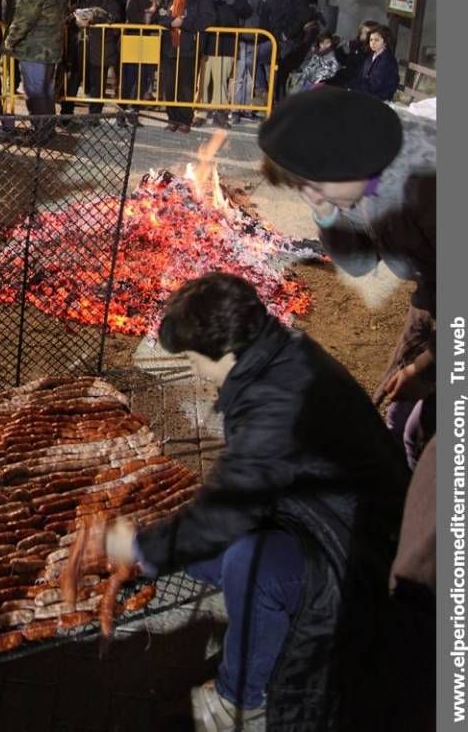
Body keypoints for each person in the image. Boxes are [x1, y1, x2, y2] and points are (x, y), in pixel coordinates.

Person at [101, 272, 409, 732]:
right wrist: (157, 551)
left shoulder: (277, 401)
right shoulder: (274, 353)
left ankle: (241, 700)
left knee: (248, 561)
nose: (192, 368)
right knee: (204, 559)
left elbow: (231, 506)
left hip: (358, 552)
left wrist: (138, 548)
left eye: (191, 358)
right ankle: (265, 627)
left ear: (225, 353)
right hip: (314, 516)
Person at [258, 88, 436, 469]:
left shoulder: (429, 180)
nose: (312, 197)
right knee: (395, 410)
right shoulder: (359, 175)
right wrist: (325, 213)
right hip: (434, 289)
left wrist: (427, 368)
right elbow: (358, 262)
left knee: (423, 430)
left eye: (314, 186)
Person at [2, 0, 69, 142]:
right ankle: (47, 129)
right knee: (46, 90)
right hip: (53, 45)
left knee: (35, 91)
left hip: (34, 48)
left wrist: (9, 42)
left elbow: (25, 16)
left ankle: (41, 133)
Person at [196, 0, 251, 127]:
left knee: (221, 79)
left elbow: (245, 10)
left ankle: (220, 113)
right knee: (202, 79)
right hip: (205, 41)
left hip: (226, 41)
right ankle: (200, 112)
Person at [61, 0, 120, 119]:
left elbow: (114, 16)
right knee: (71, 81)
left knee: (98, 83)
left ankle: (94, 116)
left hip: (99, 46)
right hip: (75, 46)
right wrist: (75, 21)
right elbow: (61, 15)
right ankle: (66, 114)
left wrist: (94, 15)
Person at [161, 0, 215, 133]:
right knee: (169, 84)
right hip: (168, 45)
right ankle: (172, 118)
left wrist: (183, 23)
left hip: (189, 46)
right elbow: (159, 15)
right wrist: (171, 22)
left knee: (186, 84)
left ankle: (185, 119)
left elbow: (207, 18)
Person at [121, 0, 173, 110]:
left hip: (153, 41)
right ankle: (122, 109)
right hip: (134, 38)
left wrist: (155, 15)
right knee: (129, 76)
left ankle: (135, 110)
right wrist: (148, 16)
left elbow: (167, 15)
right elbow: (130, 12)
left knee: (145, 77)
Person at [265, 0, 309, 101]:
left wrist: (287, 34)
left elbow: (302, 14)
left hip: (287, 39)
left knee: (281, 74)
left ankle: (278, 104)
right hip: (272, 36)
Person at [233, 0, 273, 115]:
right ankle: (236, 109)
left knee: (254, 73)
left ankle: (250, 109)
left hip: (264, 38)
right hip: (244, 38)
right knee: (240, 76)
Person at [352, 24, 399, 101]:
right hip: (367, 93)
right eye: (371, 40)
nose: (373, 43)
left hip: (379, 98)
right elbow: (360, 75)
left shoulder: (387, 60)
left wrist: (357, 89)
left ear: (385, 42)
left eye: (376, 40)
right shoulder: (371, 56)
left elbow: (375, 85)